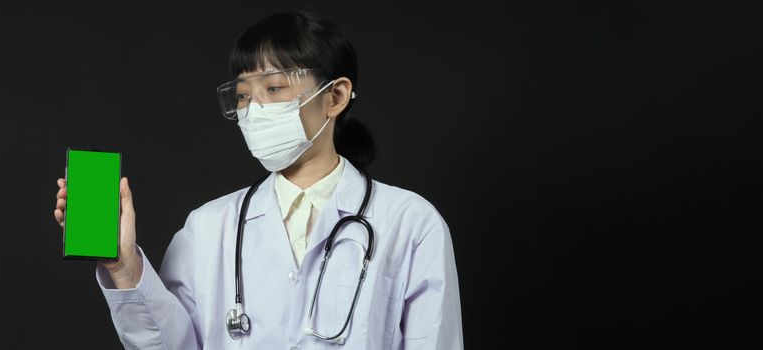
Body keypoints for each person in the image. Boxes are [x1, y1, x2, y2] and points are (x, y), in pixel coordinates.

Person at [53, 10, 462, 349]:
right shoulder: (208, 228)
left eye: (275, 87)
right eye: (244, 95)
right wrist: (124, 265)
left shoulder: (411, 224)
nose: (254, 109)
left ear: (334, 96)